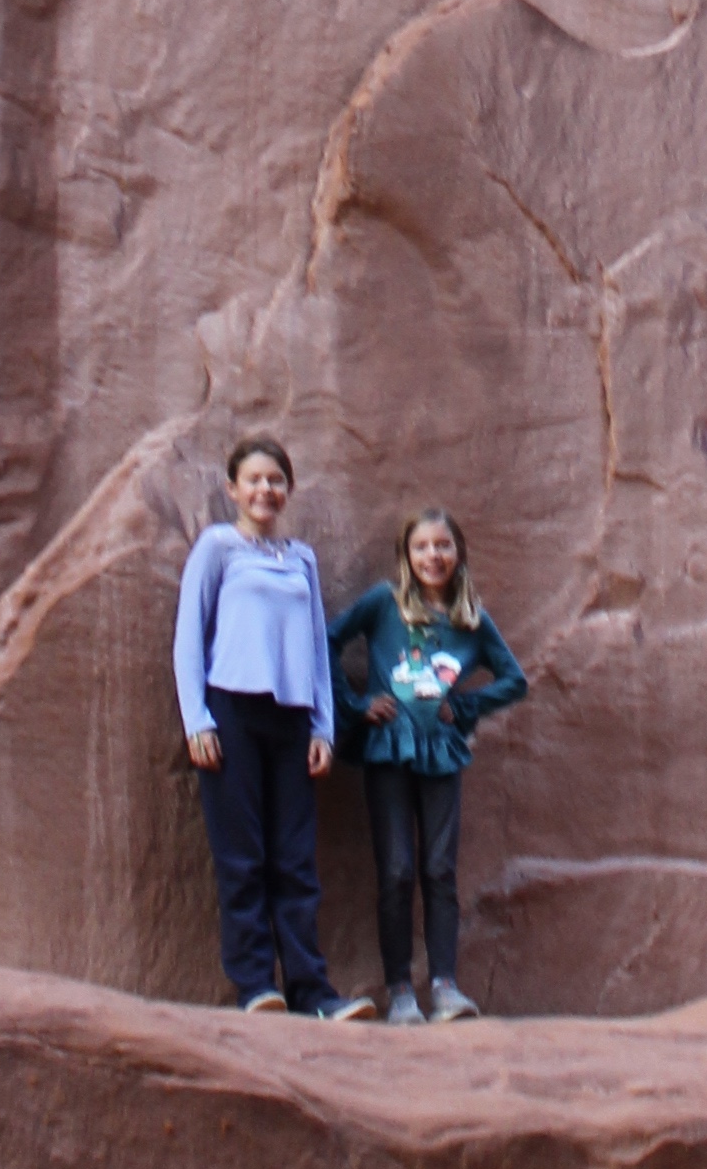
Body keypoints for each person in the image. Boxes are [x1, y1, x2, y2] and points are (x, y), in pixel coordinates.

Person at [173, 431, 369, 1018]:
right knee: (241, 856)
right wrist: (197, 719)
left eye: (276, 480)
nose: (266, 489)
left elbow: (315, 647)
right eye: (254, 479)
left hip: (291, 719)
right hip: (231, 711)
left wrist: (323, 728)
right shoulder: (217, 547)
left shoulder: (301, 558)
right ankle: (256, 985)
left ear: (289, 489)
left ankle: (313, 991)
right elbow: (189, 637)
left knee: (294, 859)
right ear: (232, 489)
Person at [327, 504, 527, 1024]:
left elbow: (514, 680)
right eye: (421, 547)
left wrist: (464, 707)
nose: (432, 556)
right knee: (396, 869)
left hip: (440, 753)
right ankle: (399, 990)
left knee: (439, 868)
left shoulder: (470, 620)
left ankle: (445, 986)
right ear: (406, 554)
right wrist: (355, 703)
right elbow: (328, 641)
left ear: (458, 553)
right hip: (388, 749)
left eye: (442, 545)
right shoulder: (384, 602)